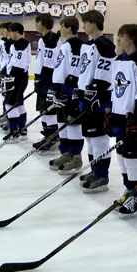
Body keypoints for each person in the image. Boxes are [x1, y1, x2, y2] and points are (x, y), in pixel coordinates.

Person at [104, 24, 137, 217]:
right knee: (122, 157)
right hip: (120, 117)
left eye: (122, 35)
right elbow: (116, 90)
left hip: (135, 118)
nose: (118, 39)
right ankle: (130, 190)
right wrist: (110, 113)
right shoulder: (119, 60)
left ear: (133, 38)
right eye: (118, 35)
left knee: (133, 158)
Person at [75, 11, 117, 193]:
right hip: (87, 96)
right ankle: (94, 169)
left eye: (85, 23)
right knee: (90, 138)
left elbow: (106, 74)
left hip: (99, 98)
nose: (83, 26)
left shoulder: (105, 45)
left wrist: (95, 92)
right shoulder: (88, 45)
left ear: (94, 23)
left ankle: (101, 175)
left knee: (99, 138)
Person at [47, 17, 84, 174]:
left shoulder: (76, 45)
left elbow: (75, 70)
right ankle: (65, 152)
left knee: (72, 122)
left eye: (62, 26)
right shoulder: (65, 45)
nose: (59, 29)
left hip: (69, 89)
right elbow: (60, 68)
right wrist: (54, 88)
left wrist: (66, 88)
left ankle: (75, 156)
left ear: (69, 28)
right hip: (61, 89)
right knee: (61, 120)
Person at [33, 13, 61, 151]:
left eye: (37, 22)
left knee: (49, 108)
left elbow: (50, 62)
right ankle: (47, 135)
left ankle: (53, 136)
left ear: (43, 23)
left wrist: (42, 78)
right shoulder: (43, 39)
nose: (35, 25)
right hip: (43, 77)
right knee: (43, 108)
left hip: (48, 78)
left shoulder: (50, 39)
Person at [2, 23, 31, 143]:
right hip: (15, 76)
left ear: (17, 31)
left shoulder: (22, 44)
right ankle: (22, 129)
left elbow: (20, 63)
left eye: (11, 31)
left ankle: (14, 132)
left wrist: (11, 76)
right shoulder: (14, 44)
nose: (10, 34)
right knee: (18, 103)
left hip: (18, 77)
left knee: (10, 103)